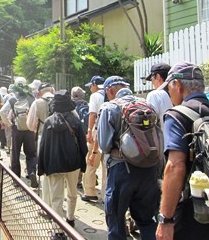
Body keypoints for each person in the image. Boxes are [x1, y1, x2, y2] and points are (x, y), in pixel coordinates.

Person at [156, 62, 209, 240]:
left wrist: (165, 220)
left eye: (169, 87)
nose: (169, 93)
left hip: (195, 216)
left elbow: (175, 166)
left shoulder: (177, 115)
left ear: (177, 85)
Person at [97, 76, 160, 240]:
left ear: (110, 90)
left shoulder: (109, 108)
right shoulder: (148, 105)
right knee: (147, 220)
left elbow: (104, 145)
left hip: (121, 170)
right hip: (150, 169)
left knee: (116, 222)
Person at [38, 90, 87, 228]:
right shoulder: (76, 121)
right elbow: (83, 146)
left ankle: (57, 228)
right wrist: (83, 166)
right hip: (73, 162)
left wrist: (41, 167)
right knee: (72, 193)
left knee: (56, 197)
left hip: (54, 164)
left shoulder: (48, 122)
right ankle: (70, 219)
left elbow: (43, 147)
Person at [0, 77, 37, 187]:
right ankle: (31, 172)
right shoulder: (31, 99)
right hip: (29, 130)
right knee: (31, 154)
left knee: (15, 154)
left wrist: (9, 124)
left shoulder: (12, 99)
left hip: (16, 129)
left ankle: (16, 180)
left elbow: (2, 112)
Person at [26, 82, 55, 202]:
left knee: (44, 170)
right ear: (52, 91)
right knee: (57, 171)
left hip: (43, 137)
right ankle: (57, 200)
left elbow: (30, 124)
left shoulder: (37, 103)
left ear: (40, 92)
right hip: (60, 139)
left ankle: (46, 203)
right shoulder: (61, 101)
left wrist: (36, 129)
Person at [82, 76, 107, 203]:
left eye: (91, 86)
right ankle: (105, 194)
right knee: (106, 166)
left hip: (97, 131)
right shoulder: (109, 93)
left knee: (91, 162)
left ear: (95, 85)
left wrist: (89, 131)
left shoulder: (95, 96)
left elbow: (92, 114)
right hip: (109, 133)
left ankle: (90, 191)